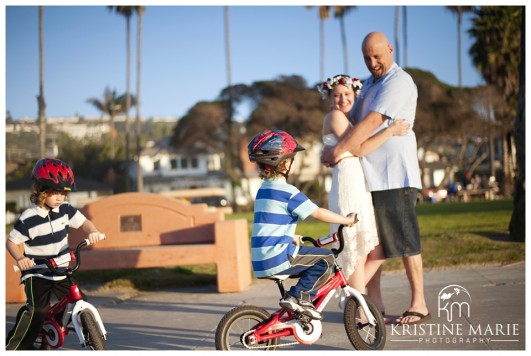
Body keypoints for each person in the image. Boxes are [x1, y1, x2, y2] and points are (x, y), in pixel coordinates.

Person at [321, 32, 430, 325]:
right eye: (367, 58)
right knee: (370, 243)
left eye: (377, 56)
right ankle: (373, 302)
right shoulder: (368, 84)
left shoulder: (399, 82)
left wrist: (336, 150)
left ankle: (418, 302)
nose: (372, 62)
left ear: (390, 49)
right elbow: (347, 119)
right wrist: (329, 145)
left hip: (395, 175)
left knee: (404, 239)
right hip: (367, 178)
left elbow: (370, 123)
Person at [317, 74, 409, 300]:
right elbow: (358, 148)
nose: (342, 99)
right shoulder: (336, 117)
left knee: (375, 251)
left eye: (347, 94)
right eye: (337, 95)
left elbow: (353, 146)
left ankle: (350, 299)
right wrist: (390, 131)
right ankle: (356, 308)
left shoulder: (347, 119)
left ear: (355, 95)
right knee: (356, 248)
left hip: (357, 183)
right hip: (348, 185)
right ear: (329, 98)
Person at [248, 129, 357, 320]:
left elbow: (269, 225)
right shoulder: (287, 191)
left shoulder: (263, 191)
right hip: (277, 257)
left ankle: (296, 310)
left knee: (311, 258)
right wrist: (347, 220)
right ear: (285, 163)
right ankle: (299, 297)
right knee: (327, 259)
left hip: (261, 258)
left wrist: (291, 237)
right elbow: (318, 212)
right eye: (292, 159)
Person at [5, 158, 105, 350]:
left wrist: (92, 231)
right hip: (38, 273)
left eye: (63, 193)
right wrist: (20, 258)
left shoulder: (65, 210)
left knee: (79, 299)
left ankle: (55, 327)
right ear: (41, 191)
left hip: (60, 270)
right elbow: (12, 242)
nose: (60, 198)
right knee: (38, 310)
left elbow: (84, 222)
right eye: (55, 193)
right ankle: (14, 347)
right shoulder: (29, 218)